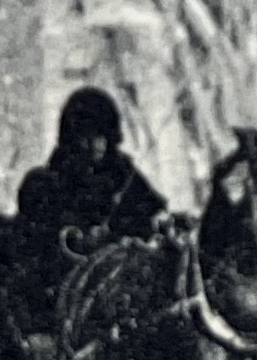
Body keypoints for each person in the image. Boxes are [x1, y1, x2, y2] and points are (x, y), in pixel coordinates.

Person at [18, 85, 171, 253]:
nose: (94, 145)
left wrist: (159, 222)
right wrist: (81, 236)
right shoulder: (46, 184)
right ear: (72, 140)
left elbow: (152, 211)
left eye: (100, 136)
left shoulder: (123, 176)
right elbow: (42, 238)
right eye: (85, 137)